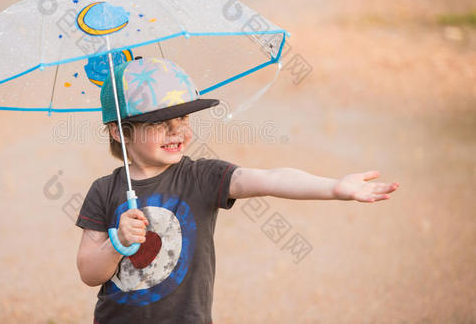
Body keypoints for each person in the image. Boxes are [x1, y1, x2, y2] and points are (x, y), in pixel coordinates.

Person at [75, 57, 399, 324]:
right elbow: (89, 272)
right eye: (160, 122)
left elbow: (270, 178)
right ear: (120, 130)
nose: (178, 130)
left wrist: (333, 187)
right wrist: (117, 243)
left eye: (183, 116)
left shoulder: (201, 177)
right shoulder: (105, 191)